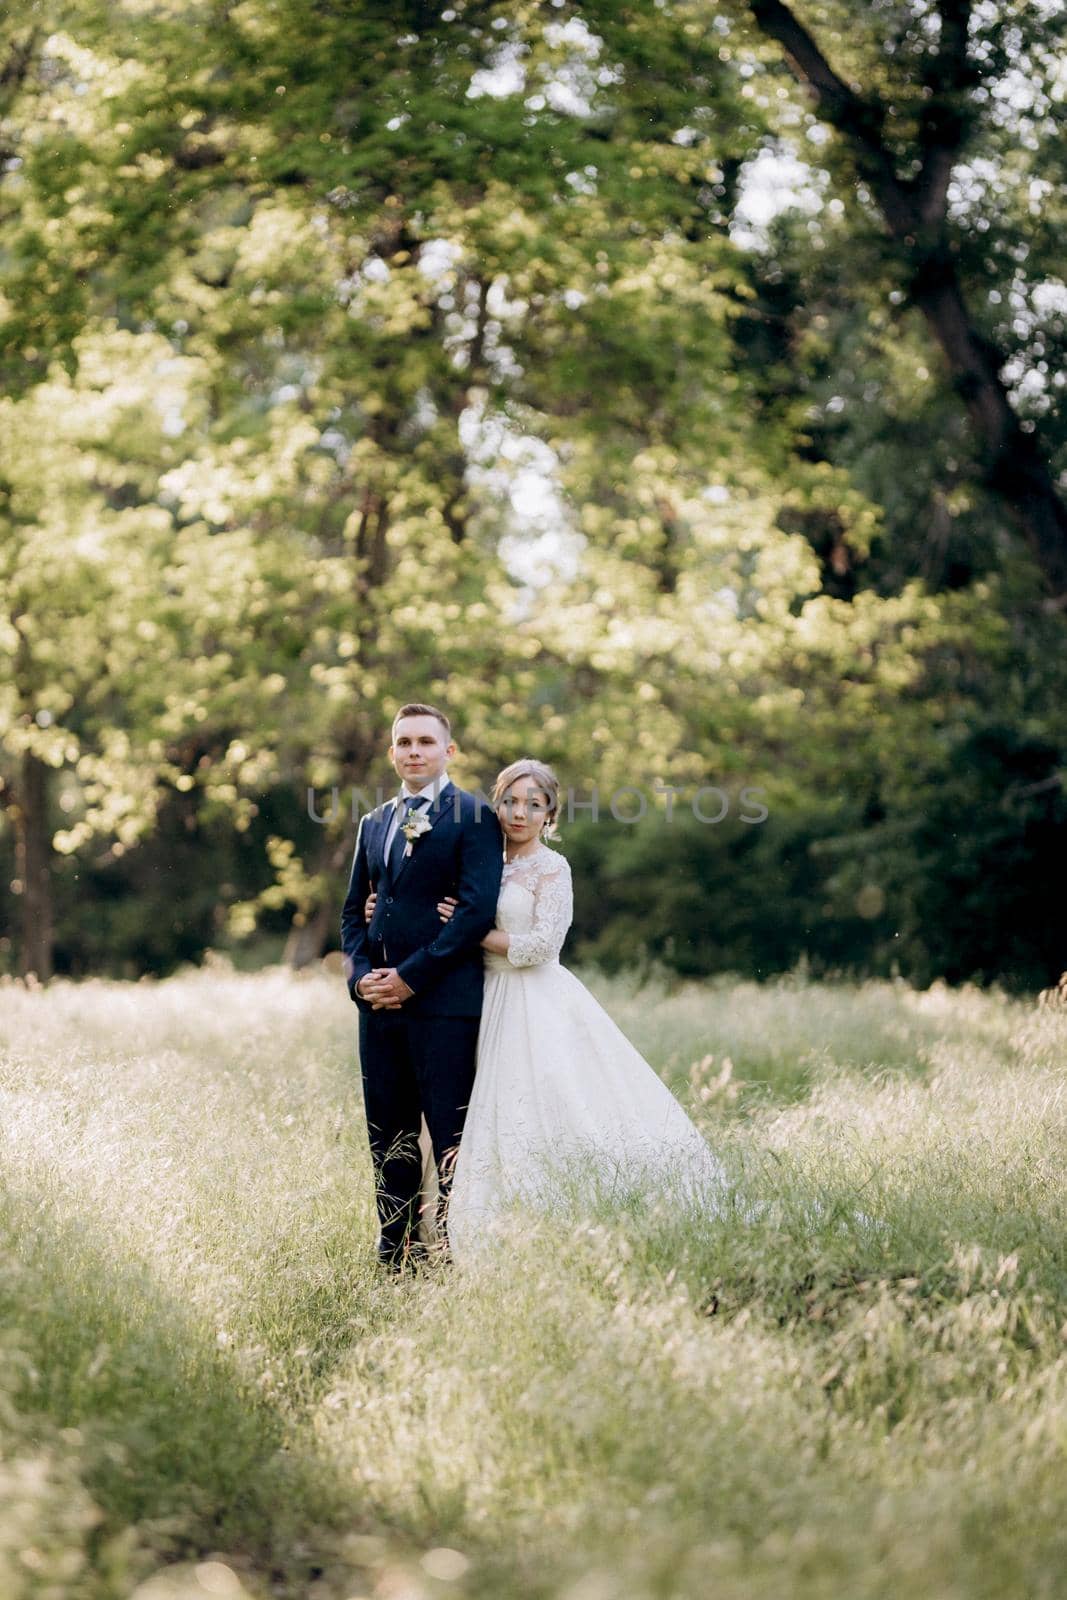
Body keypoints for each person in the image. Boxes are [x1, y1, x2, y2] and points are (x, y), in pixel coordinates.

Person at [363, 757, 730, 1263]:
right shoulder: (480, 856)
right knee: (477, 1119)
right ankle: (454, 1233)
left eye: (533, 805)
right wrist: (382, 907)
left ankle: (560, 1225)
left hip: (531, 1000)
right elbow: (427, 902)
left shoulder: (552, 867)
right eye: (510, 802)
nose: (519, 813)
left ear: (549, 813)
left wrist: (474, 932)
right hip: (478, 999)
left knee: (543, 1109)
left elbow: (542, 945)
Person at [340, 703, 503, 1273]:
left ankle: (461, 1257)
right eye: (404, 742)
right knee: (388, 1140)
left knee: (453, 1138)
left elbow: (476, 912)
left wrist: (410, 979)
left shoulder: (475, 817)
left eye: (426, 742)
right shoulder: (373, 822)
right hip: (379, 1013)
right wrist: (362, 982)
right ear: (392, 753)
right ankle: (397, 1259)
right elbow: (351, 918)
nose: (414, 751)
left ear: (448, 751)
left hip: (444, 1009)